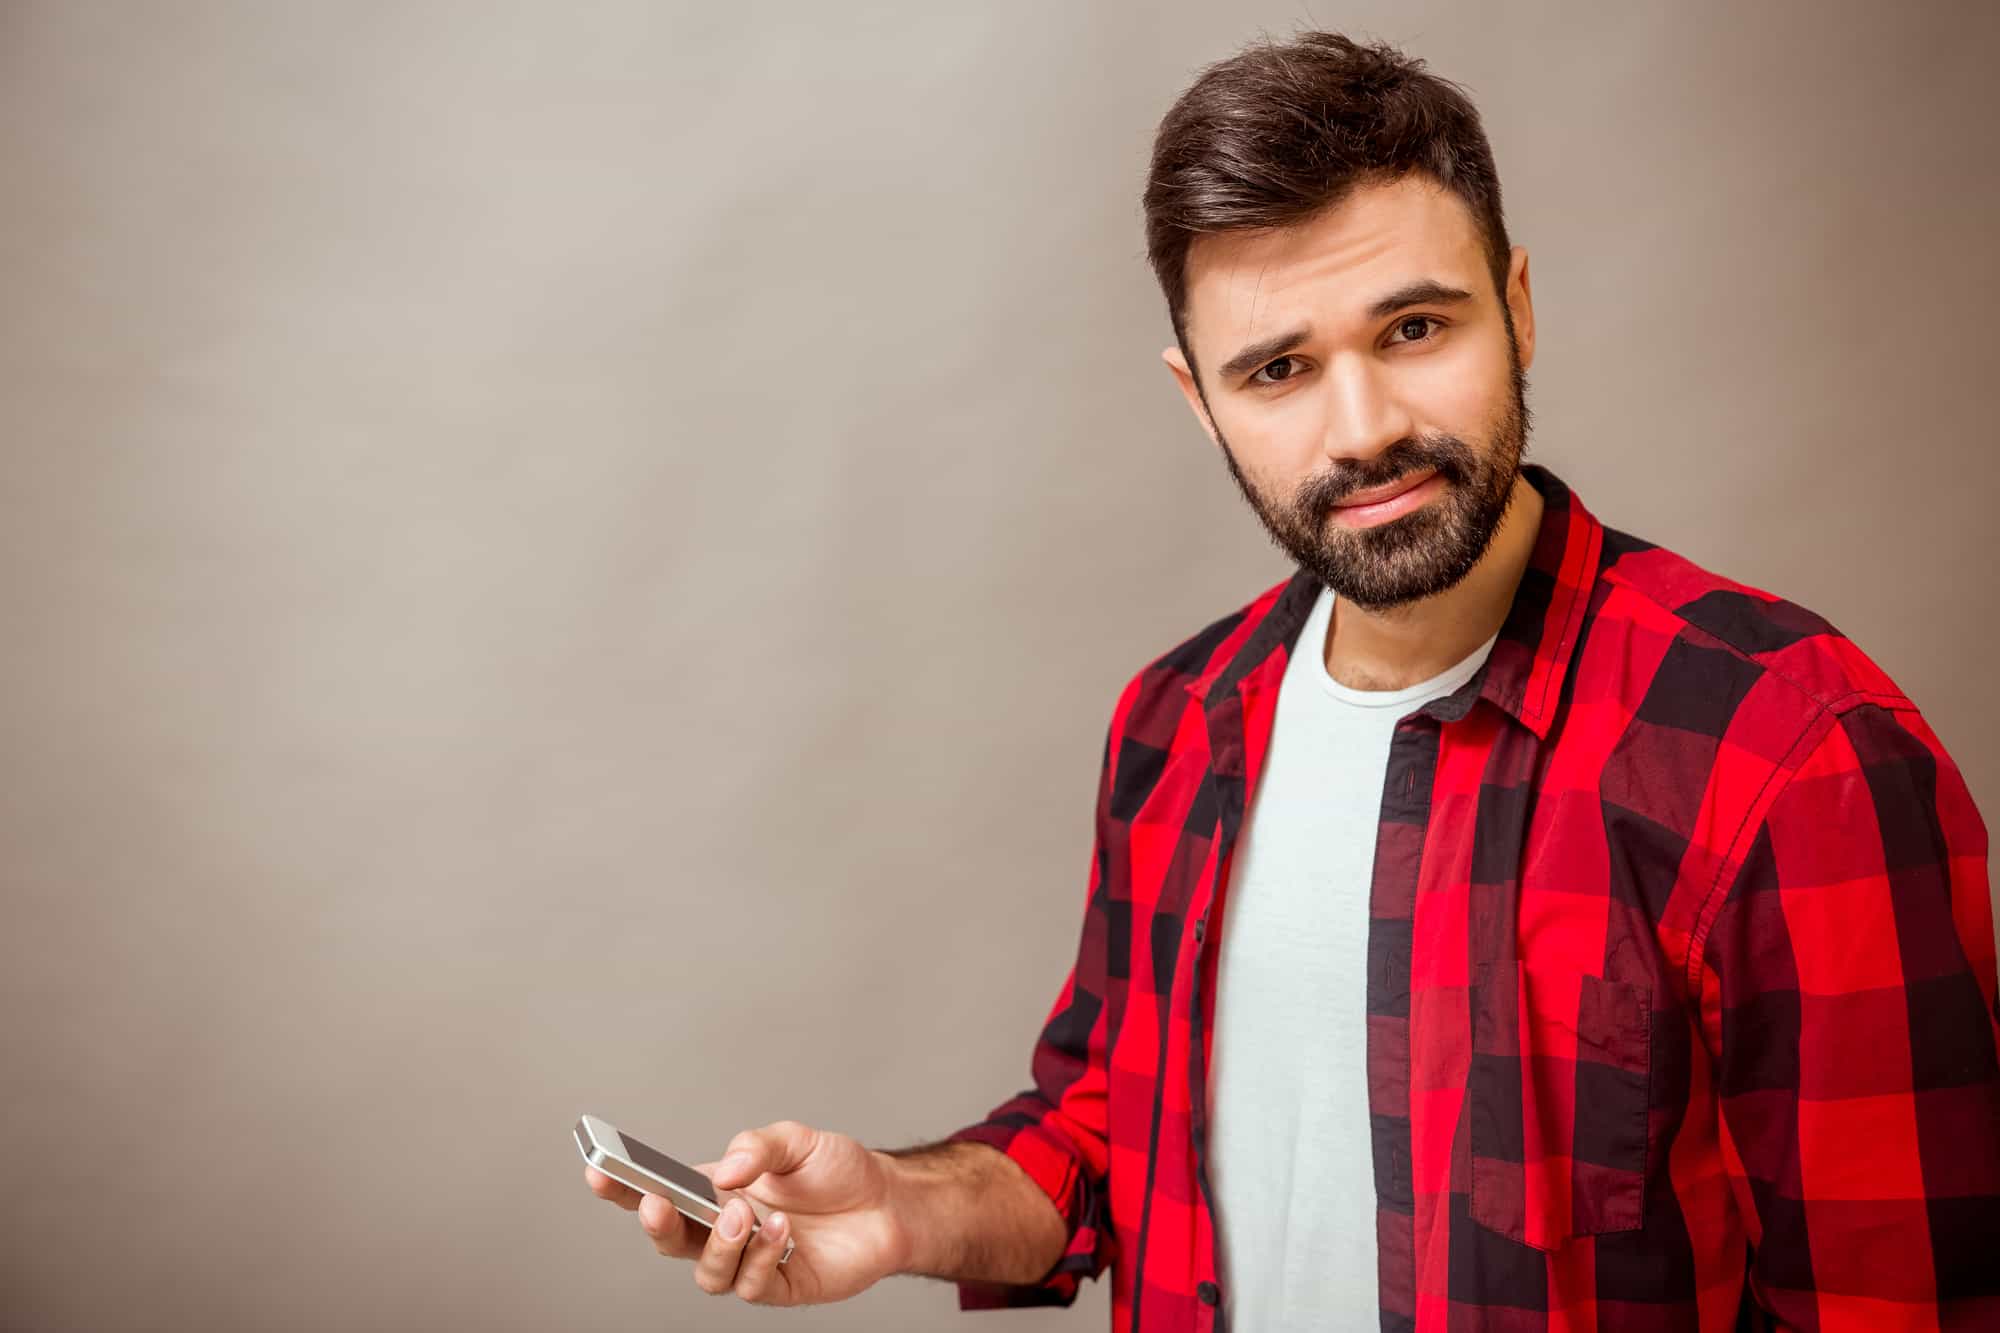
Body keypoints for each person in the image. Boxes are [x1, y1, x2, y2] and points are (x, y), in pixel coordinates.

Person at [583, 29, 2000, 1331]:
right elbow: (1102, 1129)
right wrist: (903, 1207)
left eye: (1416, 329)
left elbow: (1907, 1303)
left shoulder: (1789, 752)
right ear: (1200, 398)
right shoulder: (1179, 722)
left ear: (1516, 303)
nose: (1365, 426)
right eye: (1278, 369)